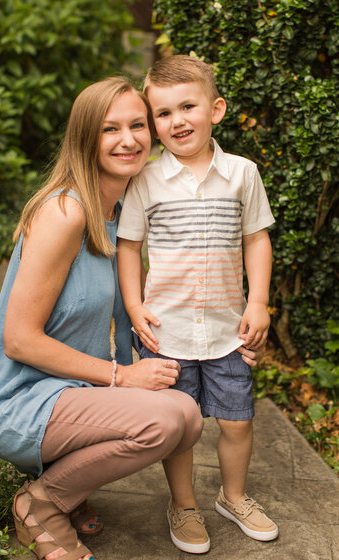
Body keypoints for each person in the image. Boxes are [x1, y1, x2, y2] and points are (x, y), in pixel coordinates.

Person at [0, 76, 205, 560]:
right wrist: (123, 377)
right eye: (109, 129)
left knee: (186, 414)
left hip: (73, 392)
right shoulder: (65, 213)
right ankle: (41, 503)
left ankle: (64, 488)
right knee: (167, 421)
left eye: (138, 125)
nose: (129, 140)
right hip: (21, 399)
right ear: (84, 138)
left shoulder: (121, 214)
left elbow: (143, 311)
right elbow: (18, 340)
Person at [117, 55, 278, 554]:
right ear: (153, 123)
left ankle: (233, 496)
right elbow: (128, 247)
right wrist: (132, 304)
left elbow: (256, 238)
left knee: (237, 420)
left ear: (217, 109)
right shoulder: (145, 180)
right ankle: (183, 505)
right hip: (168, 330)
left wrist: (260, 302)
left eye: (188, 106)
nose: (177, 121)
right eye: (163, 114)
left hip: (229, 327)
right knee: (181, 428)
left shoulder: (242, 174)